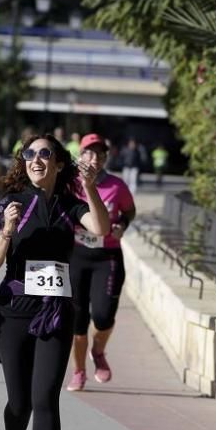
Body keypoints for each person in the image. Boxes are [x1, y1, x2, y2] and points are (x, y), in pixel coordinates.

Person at [0, 134, 110, 430]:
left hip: (55, 312)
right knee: (19, 403)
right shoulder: (11, 204)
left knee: (45, 397)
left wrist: (90, 187)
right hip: (14, 312)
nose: (36, 160)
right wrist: (6, 232)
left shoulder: (70, 205)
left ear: (59, 163)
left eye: (44, 153)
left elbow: (101, 229)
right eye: (29, 154)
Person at [66, 133, 136, 391]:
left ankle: (98, 351)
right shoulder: (70, 185)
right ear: (80, 155)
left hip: (107, 257)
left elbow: (129, 210)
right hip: (77, 255)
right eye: (89, 152)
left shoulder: (117, 186)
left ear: (106, 158)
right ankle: (79, 370)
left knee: (104, 316)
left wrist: (122, 224)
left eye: (99, 154)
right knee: (78, 319)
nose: (94, 158)